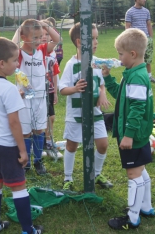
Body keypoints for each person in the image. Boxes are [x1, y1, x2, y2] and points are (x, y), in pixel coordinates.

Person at [0, 37, 43, 234]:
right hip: (6, 146)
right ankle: (28, 229)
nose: (17, 64)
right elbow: (14, 122)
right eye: (15, 60)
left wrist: (17, 96)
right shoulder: (8, 88)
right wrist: (23, 151)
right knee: (19, 187)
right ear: (2, 64)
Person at [103, 28, 155, 230]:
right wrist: (108, 77)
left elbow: (136, 109)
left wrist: (128, 135)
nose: (119, 57)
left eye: (120, 54)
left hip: (134, 135)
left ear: (132, 54)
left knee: (133, 174)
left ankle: (132, 217)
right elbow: (122, 98)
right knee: (140, 169)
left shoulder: (136, 78)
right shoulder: (133, 73)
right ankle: (146, 207)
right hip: (139, 134)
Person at [59, 22, 113, 190]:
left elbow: (101, 83)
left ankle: (96, 173)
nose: (96, 42)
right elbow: (62, 89)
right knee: (72, 145)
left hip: (95, 113)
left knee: (103, 144)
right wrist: (74, 89)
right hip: (76, 115)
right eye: (92, 39)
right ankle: (68, 178)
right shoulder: (71, 65)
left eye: (97, 38)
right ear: (79, 42)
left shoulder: (96, 63)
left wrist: (102, 93)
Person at [12, 19, 62, 175]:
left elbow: (57, 39)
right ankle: (25, 162)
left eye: (41, 36)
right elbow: (11, 46)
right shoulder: (18, 53)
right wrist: (20, 27)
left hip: (41, 98)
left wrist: (45, 25)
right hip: (24, 99)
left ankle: (38, 161)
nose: (39, 40)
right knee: (26, 132)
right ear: (24, 37)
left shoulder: (42, 50)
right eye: (35, 37)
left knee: (39, 130)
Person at [41, 19, 62, 159]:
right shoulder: (36, 51)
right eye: (41, 34)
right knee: (38, 120)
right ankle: (38, 144)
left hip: (48, 90)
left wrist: (54, 92)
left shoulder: (52, 54)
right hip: (36, 91)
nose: (44, 36)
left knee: (51, 117)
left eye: (47, 33)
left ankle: (48, 143)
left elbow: (54, 73)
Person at [125, 0, 155, 83]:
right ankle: (133, 76)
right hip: (136, 41)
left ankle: (149, 76)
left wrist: (151, 37)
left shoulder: (146, 11)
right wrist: (129, 39)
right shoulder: (130, 12)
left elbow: (149, 24)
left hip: (147, 39)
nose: (145, 0)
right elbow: (127, 27)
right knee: (136, 59)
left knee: (148, 59)